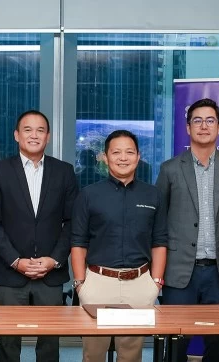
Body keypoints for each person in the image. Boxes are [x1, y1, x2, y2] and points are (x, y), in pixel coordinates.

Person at [156, 99, 219, 362]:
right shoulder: (170, 169)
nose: (204, 126)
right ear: (188, 128)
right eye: (197, 120)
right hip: (180, 271)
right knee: (177, 341)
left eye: (210, 121)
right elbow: (160, 219)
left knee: (217, 343)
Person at [0, 111, 77, 362]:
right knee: (8, 343)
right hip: (10, 272)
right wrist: (16, 260)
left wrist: (54, 260)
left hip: (51, 272)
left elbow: (72, 222)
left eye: (40, 130)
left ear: (48, 136)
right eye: (27, 130)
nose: (34, 135)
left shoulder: (64, 172)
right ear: (17, 135)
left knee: (49, 343)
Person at [71, 130, 167, 362]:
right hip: (98, 283)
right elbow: (78, 243)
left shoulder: (153, 195)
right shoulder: (89, 195)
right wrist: (80, 284)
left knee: (132, 355)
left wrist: (155, 283)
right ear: (105, 157)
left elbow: (160, 241)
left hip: (140, 284)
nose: (123, 158)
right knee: (93, 355)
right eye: (116, 152)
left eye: (129, 152)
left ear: (138, 156)